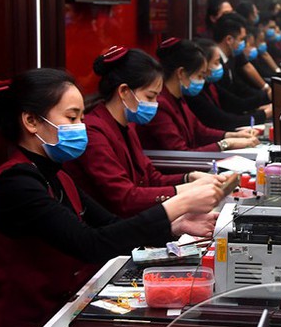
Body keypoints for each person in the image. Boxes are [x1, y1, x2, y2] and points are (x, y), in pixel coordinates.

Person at [0, 69, 221, 327]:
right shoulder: (16, 183)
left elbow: (111, 226)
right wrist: (177, 204)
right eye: (72, 118)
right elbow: (90, 244)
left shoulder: (58, 174)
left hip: (60, 313)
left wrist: (173, 226)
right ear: (31, 121)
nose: (81, 126)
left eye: (82, 118)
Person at [65, 46, 225, 217]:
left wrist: (188, 178)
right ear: (124, 91)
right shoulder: (94, 131)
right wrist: (184, 191)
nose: (156, 103)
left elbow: (151, 177)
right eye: (150, 97)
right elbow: (125, 198)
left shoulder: (126, 125)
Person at [136, 37, 258, 152]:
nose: (203, 81)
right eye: (200, 75)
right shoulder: (160, 104)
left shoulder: (179, 98)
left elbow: (199, 130)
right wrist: (226, 144)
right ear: (181, 73)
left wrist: (232, 135)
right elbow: (180, 152)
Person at [186, 38, 272, 132]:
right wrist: (265, 113)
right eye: (217, 62)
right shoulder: (193, 94)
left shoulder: (210, 85)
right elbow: (225, 120)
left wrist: (266, 98)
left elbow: (238, 103)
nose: (220, 66)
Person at [213, 13, 272, 113]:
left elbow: (240, 88)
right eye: (242, 39)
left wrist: (266, 96)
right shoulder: (216, 68)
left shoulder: (230, 60)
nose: (244, 44)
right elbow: (232, 103)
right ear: (229, 40)